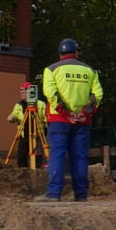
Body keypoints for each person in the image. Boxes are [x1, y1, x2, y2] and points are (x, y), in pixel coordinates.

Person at [40, 39, 104, 201]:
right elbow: (97, 95)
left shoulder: (51, 70)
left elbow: (51, 94)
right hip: (83, 121)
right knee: (80, 157)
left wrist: (65, 112)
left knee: (57, 155)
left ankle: (54, 194)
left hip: (59, 119)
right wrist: (85, 112)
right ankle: (81, 195)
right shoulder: (90, 70)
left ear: (60, 53)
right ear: (76, 52)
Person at [4, 80, 47, 172]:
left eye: (23, 92)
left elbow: (46, 118)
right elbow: (14, 115)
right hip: (24, 133)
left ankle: (37, 169)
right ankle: (22, 170)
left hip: (38, 133)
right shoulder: (19, 105)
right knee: (22, 153)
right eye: (21, 92)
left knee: (37, 153)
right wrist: (11, 117)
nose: (21, 94)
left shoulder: (41, 104)